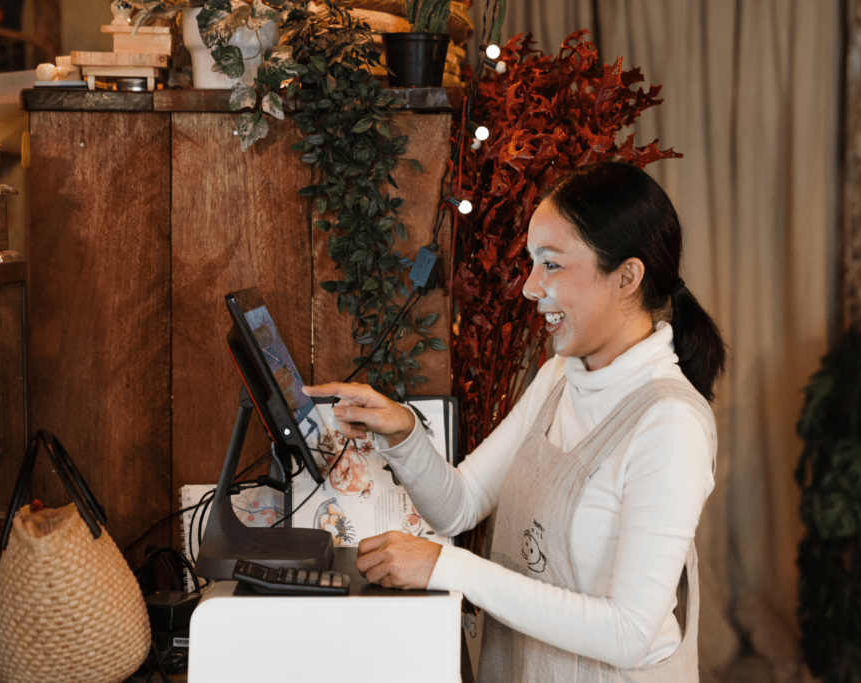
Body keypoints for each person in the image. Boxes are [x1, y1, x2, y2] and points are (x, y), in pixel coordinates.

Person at [303, 160, 725, 682]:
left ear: (627, 277)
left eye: (552, 265)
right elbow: (459, 506)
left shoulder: (670, 425)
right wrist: (402, 431)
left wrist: (446, 566)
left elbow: (628, 631)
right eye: (532, 263)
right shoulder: (558, 380)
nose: (529, 287)